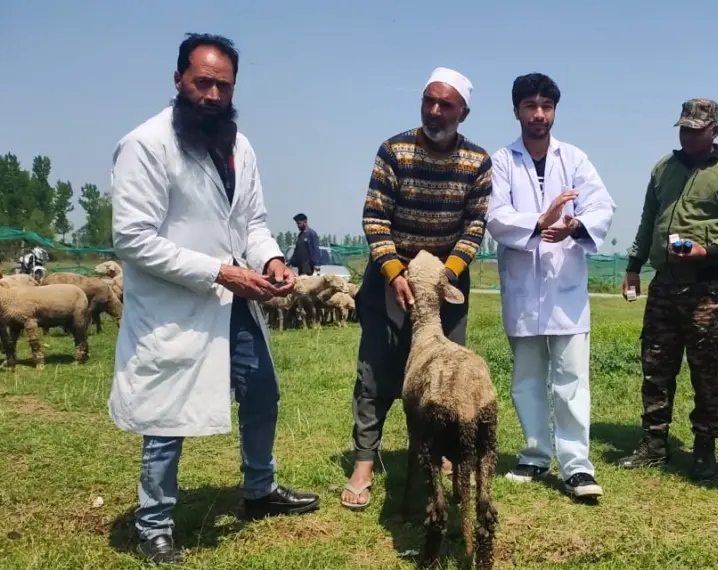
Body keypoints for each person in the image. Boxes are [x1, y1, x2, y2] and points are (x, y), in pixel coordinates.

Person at [107, 33, 319, 565]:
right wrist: (221, 273)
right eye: (202, 82)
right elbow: (132, 239)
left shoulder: (237, 146)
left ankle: (259, 489)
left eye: (222, 85)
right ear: (179, 79)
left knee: (262, 392)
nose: (212, 94)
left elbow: (252, 223)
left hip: (233, 299)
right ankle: (154, 522)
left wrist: (270, 261)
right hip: (177, 304)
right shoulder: (146, 144)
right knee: (167, 414)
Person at [341, 67, 491, 510]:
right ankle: (365, 461)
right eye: (429, 100)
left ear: (463, 112)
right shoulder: (394, 150)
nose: (434, 110)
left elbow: (475, 226)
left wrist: (444, 275)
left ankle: (441, 455)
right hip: (392, 275)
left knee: (444, 374)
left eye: (445, 104)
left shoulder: (477, 162)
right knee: (377, 368)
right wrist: (394, 273)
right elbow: (375, 217)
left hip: (445, 277)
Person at [486, 73, 616, 500]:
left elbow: (601, 205)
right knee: (526, 378)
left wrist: (573, 224)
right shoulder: (503, 161)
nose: (539, 114)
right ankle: (534, 454)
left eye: (546, 106)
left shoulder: (574, 158)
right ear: (517, 110)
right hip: (523, 287)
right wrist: (540, 222)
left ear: (555, 111)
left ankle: (577, 465)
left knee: (572, 379)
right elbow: (495, 215)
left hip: (566, 289)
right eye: (530, 106)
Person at [617, 98, 718, 482]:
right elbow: (648, 221)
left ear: (714, 131)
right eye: (684, 129)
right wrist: (633, 266)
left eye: (696, 130)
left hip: (704, 288)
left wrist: (708, 250)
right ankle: (654, 444)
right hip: (664, 286)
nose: (688, 136)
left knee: (705, 371)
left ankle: (704, 450)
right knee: (656, 368)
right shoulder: (663, 169)